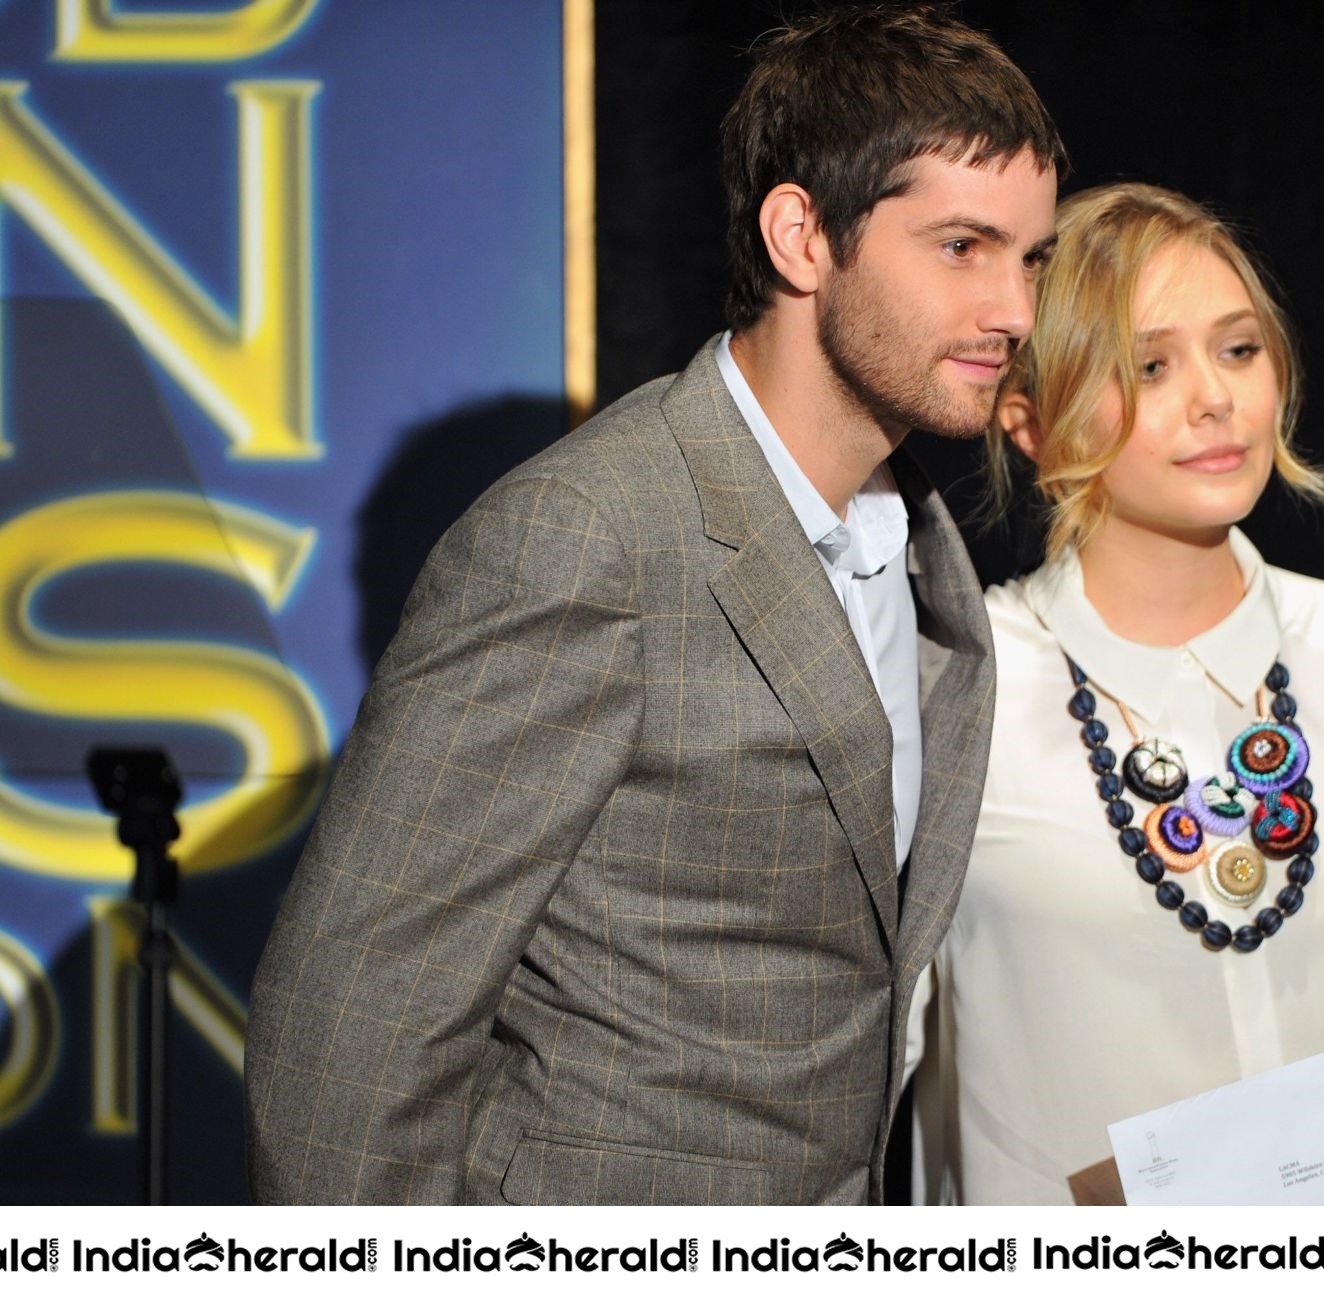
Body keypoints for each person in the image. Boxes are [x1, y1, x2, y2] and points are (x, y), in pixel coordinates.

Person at [244, 7, 1064, 1205]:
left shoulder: (924, 550)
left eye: (1030, 257)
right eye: (962, 248)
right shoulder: (589, 536)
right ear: (802, 236)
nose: (1017, 312)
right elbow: (348, 1037)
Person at [907, 183, 1324, 1205]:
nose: (1214, 396)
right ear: (1030, 423)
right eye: (1149, 364)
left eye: (1240, 348)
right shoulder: (943, 682)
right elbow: (864, 1068)